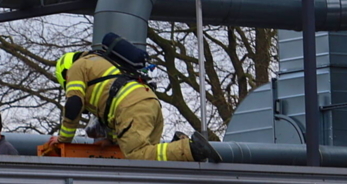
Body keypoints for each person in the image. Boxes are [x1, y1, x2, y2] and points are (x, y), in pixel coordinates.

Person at [49, 50, 221, 163]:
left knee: (136, 155)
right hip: (149, 102)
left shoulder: (77, 67)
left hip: (131, 107)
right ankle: (177, 145)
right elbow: (110, 106)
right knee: (150, 161)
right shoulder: (102, 64)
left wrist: (63, 139)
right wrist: (111, 139)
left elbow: (74, 105)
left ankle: (192, 148)